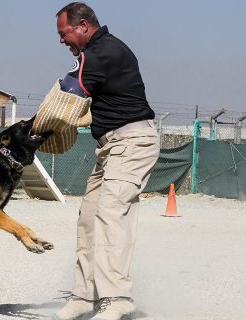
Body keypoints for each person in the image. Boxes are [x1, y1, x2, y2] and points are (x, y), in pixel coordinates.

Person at [52, 3, 160, 320]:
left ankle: (116, 297)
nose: (61, 40)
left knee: (111, 213)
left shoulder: (100, 53)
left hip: (133, 143)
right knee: (89, 218)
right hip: (111, 147)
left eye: (64, 33)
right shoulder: (100, 51)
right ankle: (84, 297)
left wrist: (33, 131)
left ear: (83, 25)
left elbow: (66, 94)